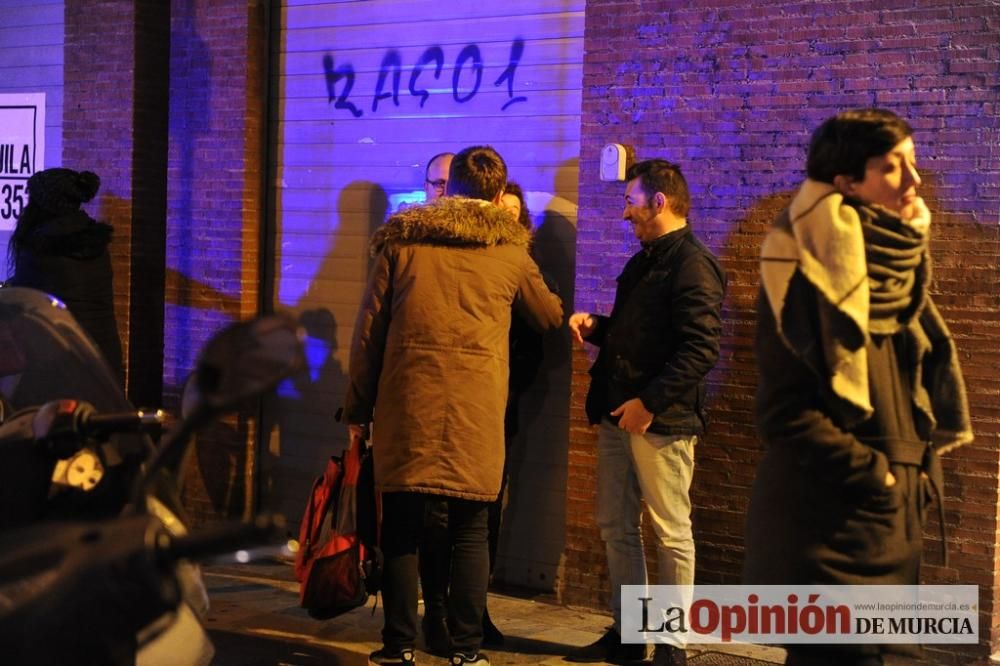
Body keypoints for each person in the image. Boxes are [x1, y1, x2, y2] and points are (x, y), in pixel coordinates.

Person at [743, 109, 973, 665]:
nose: (914, 182)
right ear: (846, 181)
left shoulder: (899, 271)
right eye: (892, 167)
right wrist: (880, 477)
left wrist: (911, 485)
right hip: (832, 529)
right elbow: (785, 414)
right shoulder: (804, 269)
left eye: (912, 164)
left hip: (889, 528)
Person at [344, 145, 563, 666]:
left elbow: (367, 337)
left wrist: (357, 410)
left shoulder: (401, 245)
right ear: (497, 193)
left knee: (401, 529)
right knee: (470, 531)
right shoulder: (510, 254)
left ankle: (398, 647)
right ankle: (467, 651)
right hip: (477, 414)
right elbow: (549, 317)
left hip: (407, 409)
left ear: (452, 189)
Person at [567, 159, 725, 666]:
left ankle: (673, 648)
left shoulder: (693, 264)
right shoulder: (646, 260)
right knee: (616, 525)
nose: (625, 212)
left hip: (660, 419)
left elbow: (701, 349)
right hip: (620, 413)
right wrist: (599, 329)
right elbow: (641, 336)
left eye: (631, 201)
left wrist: (649, 403)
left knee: (671, 532)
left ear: (659, 202)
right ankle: (631, 635)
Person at [6, 167, 123, 380]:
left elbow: (24, 301)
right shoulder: (93, 240)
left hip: (61, 364)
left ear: (43, 205)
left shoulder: (40, 245)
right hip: (104, 359)